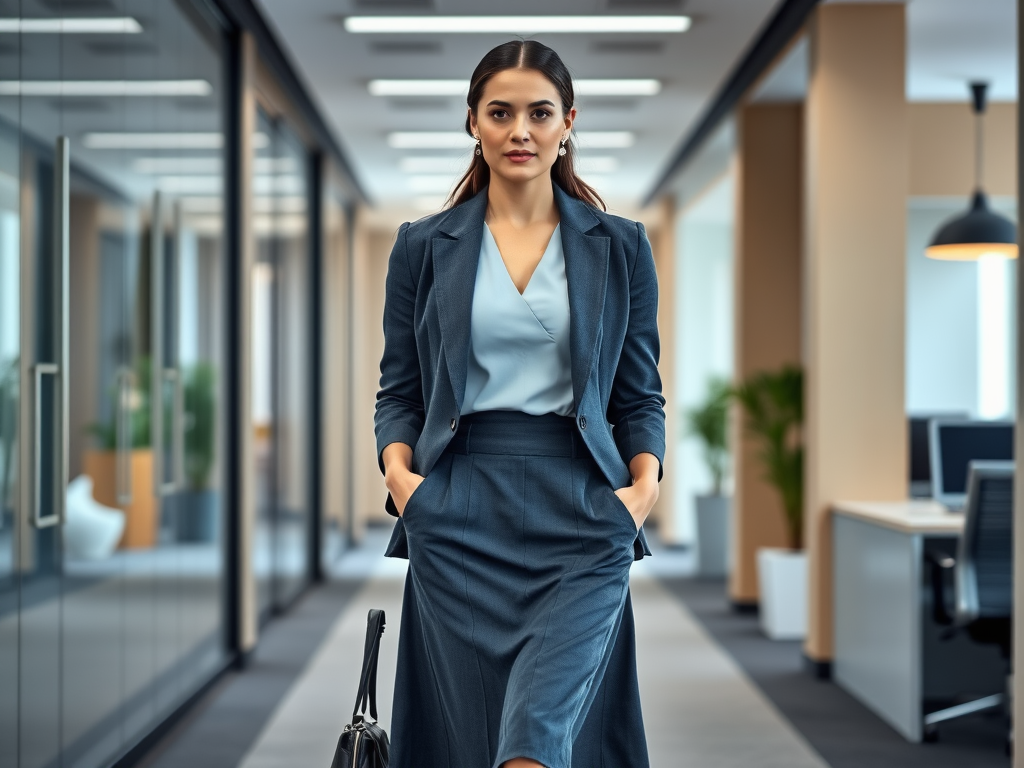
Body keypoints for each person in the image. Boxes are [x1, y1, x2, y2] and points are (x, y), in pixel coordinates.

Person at [374, 39, 665, 768]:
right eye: (500, 112)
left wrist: (643, 487)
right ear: (472, 121)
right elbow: (401, 388)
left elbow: (639, 391)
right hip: (460, 510)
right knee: (472, 740)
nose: (520, 131)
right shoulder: (422, 246)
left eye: (539, 113)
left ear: (569, 121)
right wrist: (403, 481)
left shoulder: (620, 246)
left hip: (585, 512)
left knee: (536, 735)